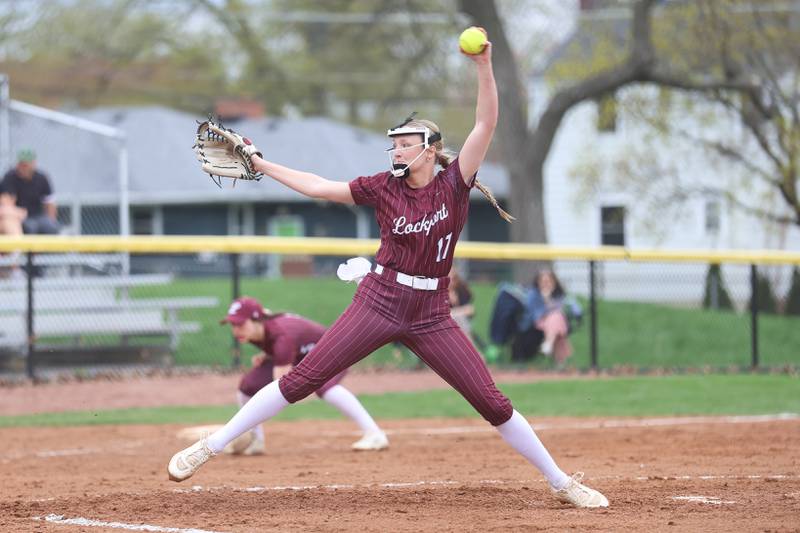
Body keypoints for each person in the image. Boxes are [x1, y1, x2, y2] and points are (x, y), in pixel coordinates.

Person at [168, 31, 608, 508]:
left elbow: (487, 121)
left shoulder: (455, 183)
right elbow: (319, 187)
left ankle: (562, 482)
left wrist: (483, 64)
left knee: (492, 402)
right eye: (393, 144)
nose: (396, 150)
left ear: (428, 148)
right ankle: (209, 446)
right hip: (380, 300)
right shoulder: (383, 187)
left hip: (432, 312)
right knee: (303, 378)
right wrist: (261, 162)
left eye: (404, 143)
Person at [218, 296, 389, 455]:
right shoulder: (259, 330)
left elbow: (280, 390)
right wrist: (268, 355)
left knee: (323, 385)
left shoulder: (281, 338)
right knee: (248, 385)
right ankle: (256, 441)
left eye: (240, 324)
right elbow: (287, 345)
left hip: (333, 350)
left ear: (257, 319)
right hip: (299, 355)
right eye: (233, 325)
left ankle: (374, 433)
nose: (236, 330)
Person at [520, 269, 581, 367]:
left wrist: (549, 300)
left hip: (558, 323)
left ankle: (548, 343)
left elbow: (574, 309)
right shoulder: (533, 295)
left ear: (554, 282)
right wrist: (545, 299)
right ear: (538, 282)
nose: (546, 284)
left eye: (548, 281)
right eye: (543, 281)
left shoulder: (560, 294)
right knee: (556, 319)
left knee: (556, 318)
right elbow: (535, 314)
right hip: (538, 323)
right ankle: (559, 361)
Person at [1, 148, 60, 235]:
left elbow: (50, 203)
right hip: (21, 216)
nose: (22, 167)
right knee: (30, 227)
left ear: (33, 163)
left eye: (26, 164)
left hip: (38, 215)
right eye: (21, 164)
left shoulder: (41, 178)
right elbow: (7, 203)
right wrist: (17, 212)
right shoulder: (10, 177)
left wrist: (52, 219)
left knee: (51, 227)